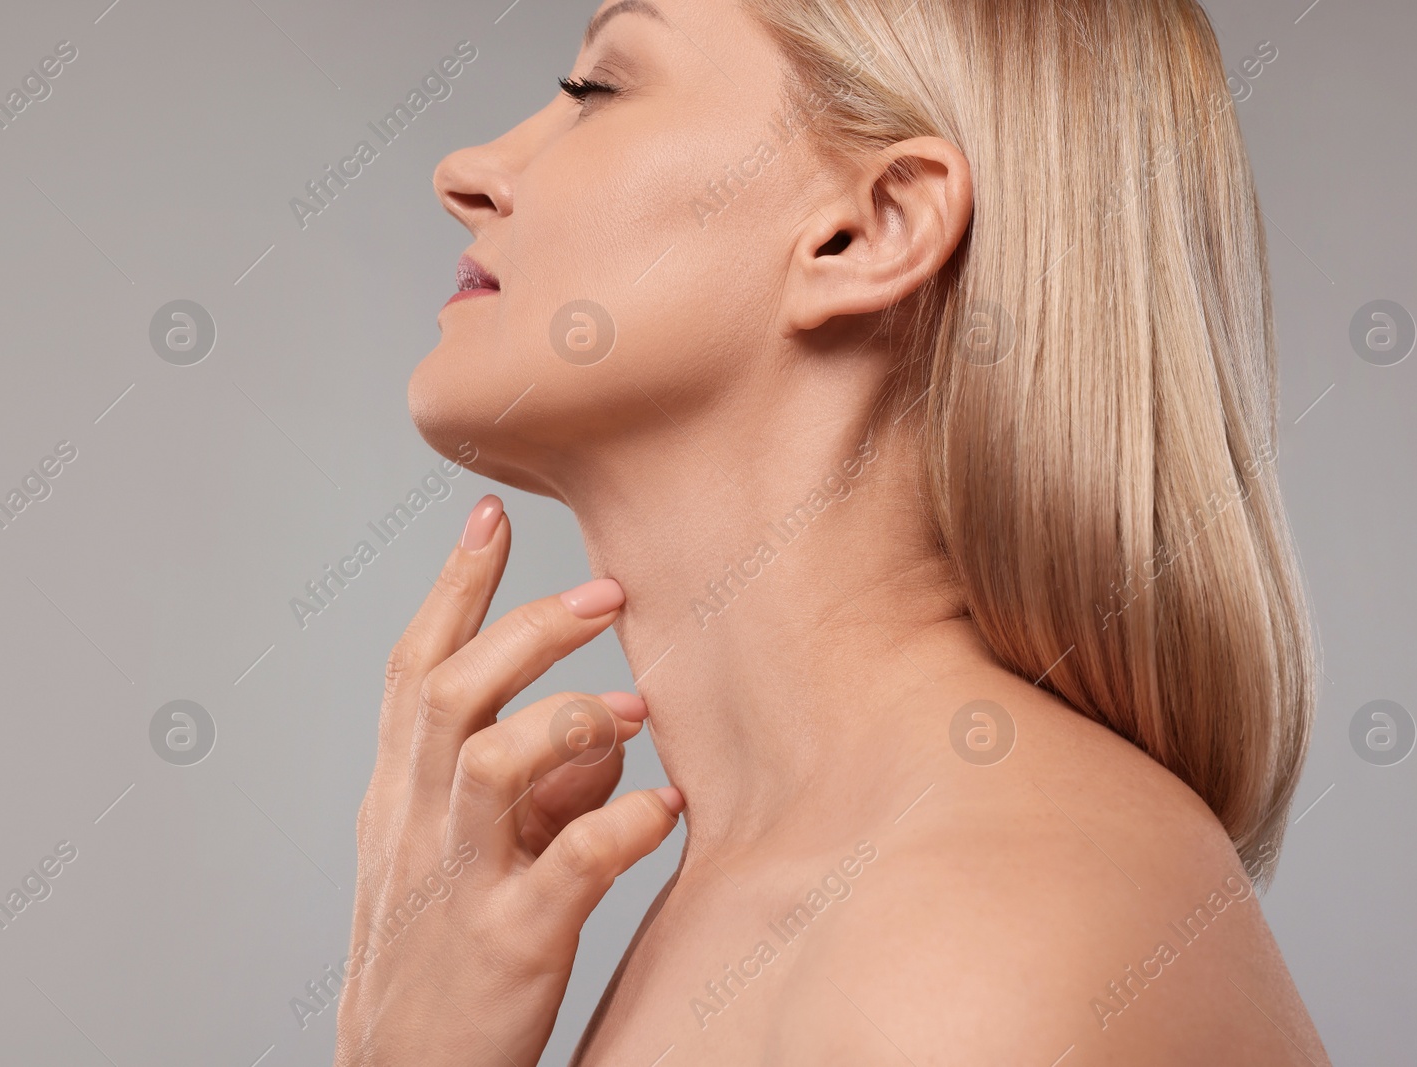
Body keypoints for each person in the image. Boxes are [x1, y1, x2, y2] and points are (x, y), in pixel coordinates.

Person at [335, 0, 1331, 1063]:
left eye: (600, 89)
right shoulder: (769, 889)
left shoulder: (974, 923)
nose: (466, 170)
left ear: (868, 229)